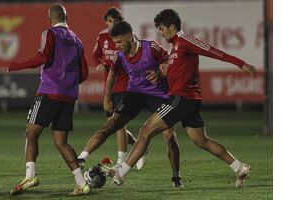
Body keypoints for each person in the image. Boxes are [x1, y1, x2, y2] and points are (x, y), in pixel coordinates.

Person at [109, 9, 256, 188]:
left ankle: (121, 172)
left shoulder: (185, 41)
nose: (160, 33)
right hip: (188, 100)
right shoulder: (175, 46)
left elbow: (213, 51)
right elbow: (179, 72)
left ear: (172, 26)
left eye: (162, 29)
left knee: (146, 131)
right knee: (202, 141)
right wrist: (162, 74)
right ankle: (239, 167)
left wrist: (240, 63)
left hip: (182, 99)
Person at [78, 20, 184, 187]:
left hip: (159, 95)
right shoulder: (119, 56)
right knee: (111, 125)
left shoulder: (151, 48)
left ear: (130, 37)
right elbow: (112, 74)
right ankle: (82, 157)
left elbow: (171, 62)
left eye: (119, 42)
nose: (117, 46)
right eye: (115, 43)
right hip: (134, 94)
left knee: (169, 135)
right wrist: (106, 98)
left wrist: (159, 72)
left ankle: (176, 176)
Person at [7, 5, 90, 196]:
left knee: (31, 132)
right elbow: (84, 73)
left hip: (49, 92)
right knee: (61, 142)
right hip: (69, 96)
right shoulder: (77, 40)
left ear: (49, 19)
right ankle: (81, 182)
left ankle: (30, 176)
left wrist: (17, 65)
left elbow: (42, 56)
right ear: (66, 17)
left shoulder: (49, 33)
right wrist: (68, 84)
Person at [90, 7, 147, 170]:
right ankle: (139, 146)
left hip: (125, 84)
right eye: (109, 21)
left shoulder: (129, 37)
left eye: (115, 21)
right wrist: (100, 63)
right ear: (106, 22)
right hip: (110, 84)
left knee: (118, 124)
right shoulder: (102, 36)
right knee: (112, 125)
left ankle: (121, 161)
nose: (112, 24)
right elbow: (95, 54)